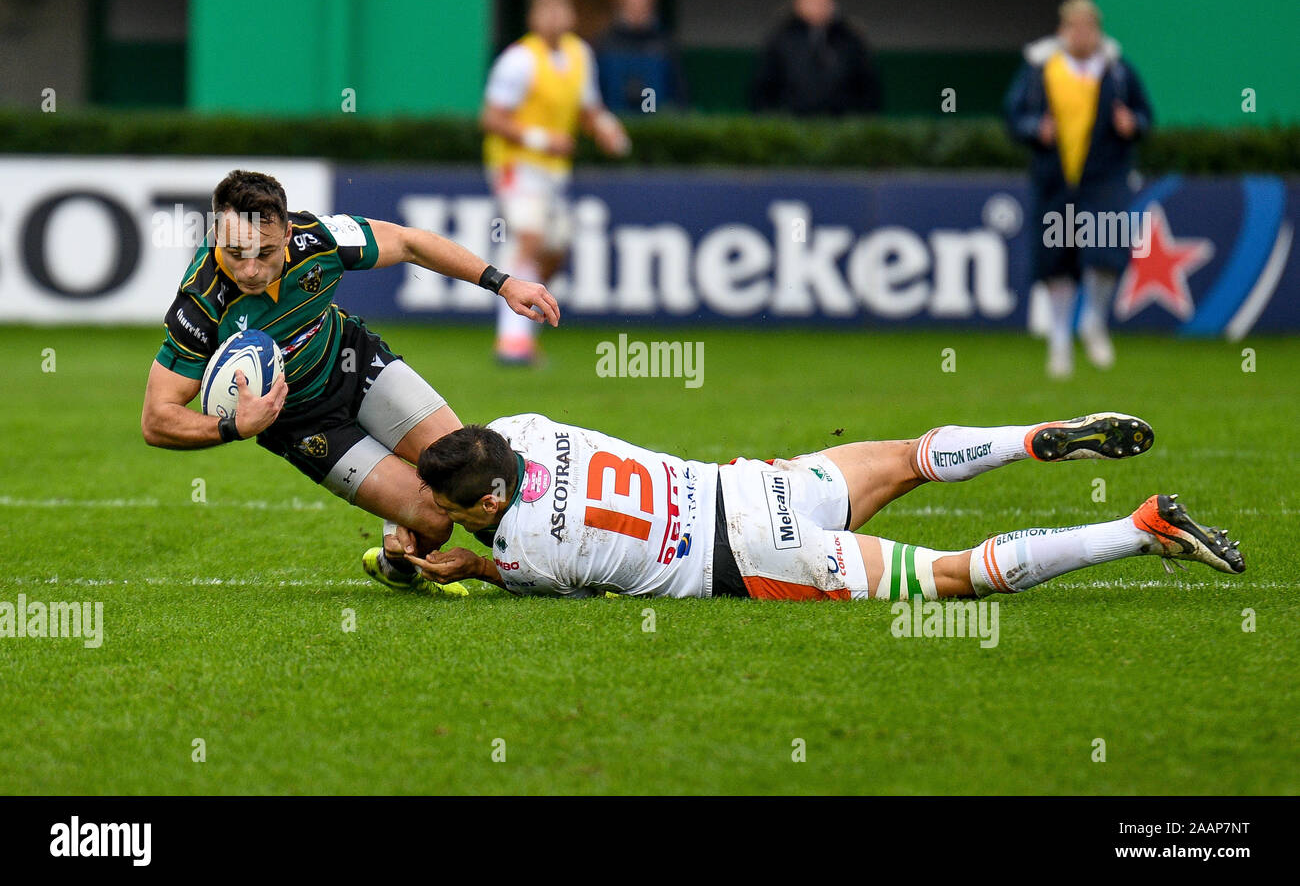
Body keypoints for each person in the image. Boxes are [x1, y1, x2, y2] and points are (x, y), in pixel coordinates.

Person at [140, 169, 559, 594]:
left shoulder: (318, 238)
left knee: (470, 473)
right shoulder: (200, 305)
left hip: (356, 363)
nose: (249, 270)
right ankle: (395, 564)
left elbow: (411, 243)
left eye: (264, 253)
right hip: (305, 424)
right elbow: (156, 419)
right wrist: (233, 427)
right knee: (435, 520)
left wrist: (502, 283)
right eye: (234, 252)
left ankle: (562, 558)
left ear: (287, 236)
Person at [387, 411, 1243, 600]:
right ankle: (1032, 437)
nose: (431, 504)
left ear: (492, 500)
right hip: (753, 484)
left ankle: (1136, 528)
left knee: (955, 578)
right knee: (913, 458)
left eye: (445, 500)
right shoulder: (523, 428)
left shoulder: (524, 554)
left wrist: (467, 564)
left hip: (758, 558)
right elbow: (481, 444)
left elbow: (560, 587)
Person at [1004, 0, 1154, 378]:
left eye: (1089, 28)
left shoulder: (1118, 71)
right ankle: (1059, 339)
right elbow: (1014, 115)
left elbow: (1146, 116)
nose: (1082, 35)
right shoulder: (1040, 69)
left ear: (1097, 32)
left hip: (1103, 178)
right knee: (1057, 261)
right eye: (1075, 27)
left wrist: (1132, 123)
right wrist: (1034, 129)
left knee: (1105, 250)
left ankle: (1093, 321)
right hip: (1056, 181)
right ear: (1062, 30)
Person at [481, 0, 630, 366]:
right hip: (518, 165)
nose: (554, 17)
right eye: (546, 9)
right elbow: (492, 118)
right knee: (528, 240)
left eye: (560, 9)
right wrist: (542, 139)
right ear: (533, 17)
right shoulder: (519, 59)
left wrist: (608, 130)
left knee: (555, 251)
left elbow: (588, 108)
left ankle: (526, 331)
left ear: (572, 16)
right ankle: (510, 342)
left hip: (554, 173)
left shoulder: (580, 55)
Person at [751, 0, 882, 116]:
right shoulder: (780, 39)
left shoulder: (850, 39)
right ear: (797, 3)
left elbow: (868, 89)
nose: (818, 5)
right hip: (793, 127)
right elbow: (762, 89)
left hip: (840, 127)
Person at [595, 0, 687, 113]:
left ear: (649, 4)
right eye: (632, 3)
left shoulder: (664, 43)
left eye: (641, 3)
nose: (636, 8)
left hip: (655, 125)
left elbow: (679, 90)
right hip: (615, 124)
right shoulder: (604, 43)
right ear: (622, 4)